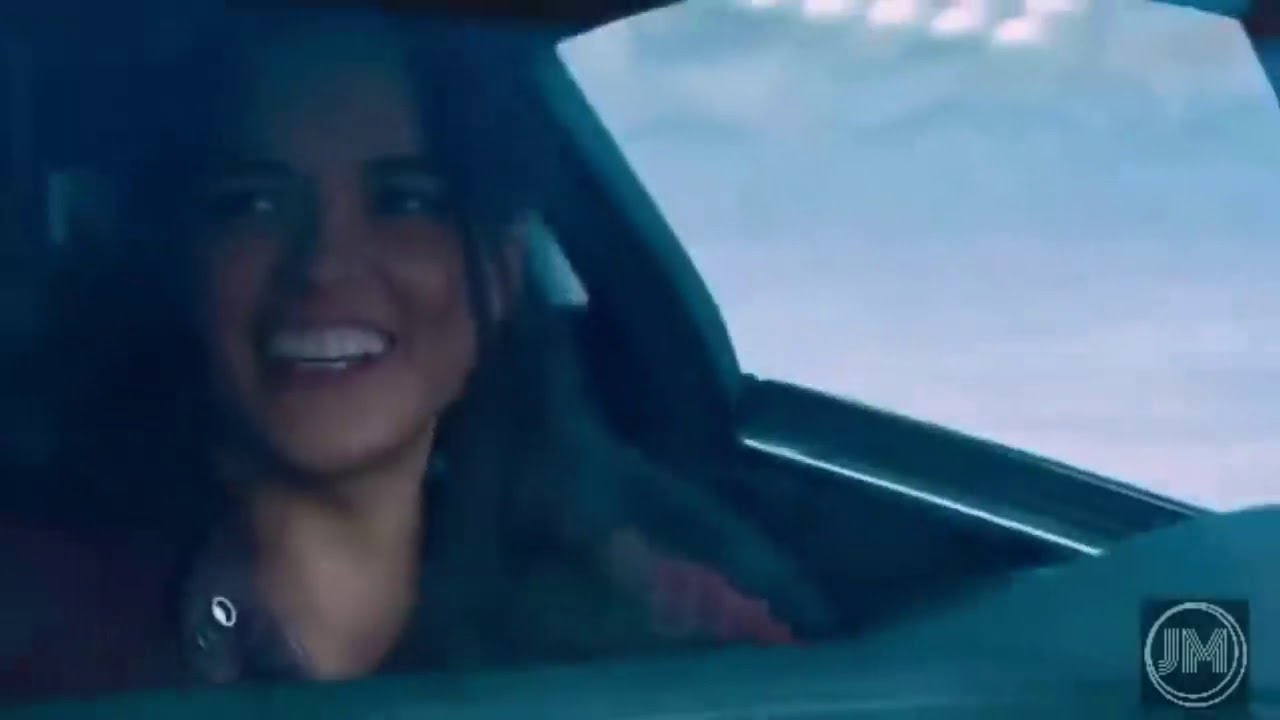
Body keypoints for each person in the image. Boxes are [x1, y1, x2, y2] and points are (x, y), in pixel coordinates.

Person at [0, 9, 804, 703]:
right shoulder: (41, 625)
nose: (324, 263)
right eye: (255, 202)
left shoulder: (672, 636)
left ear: (500, 267)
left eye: (405, 200)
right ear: (185, 267)